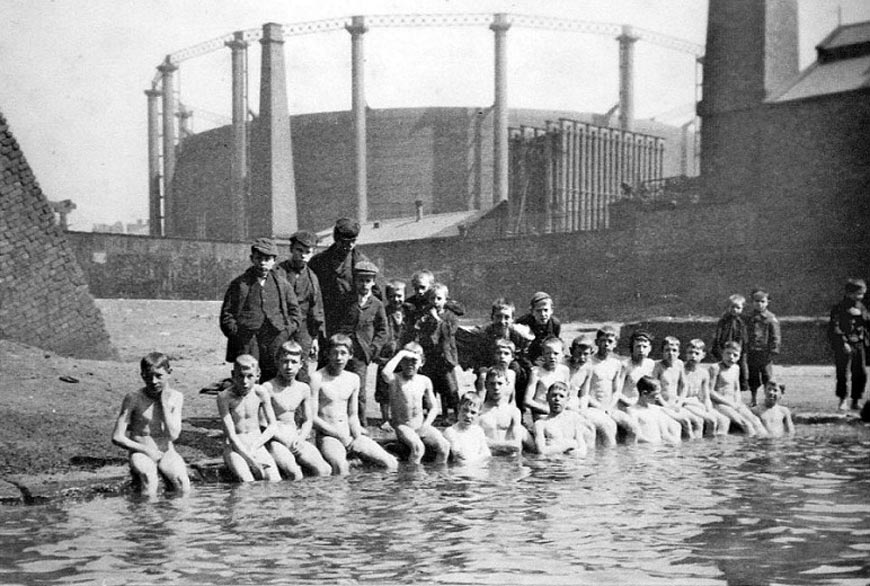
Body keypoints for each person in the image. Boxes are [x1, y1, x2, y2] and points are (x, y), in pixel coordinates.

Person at [311, 334, 398, 475]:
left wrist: (357, 437)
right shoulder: (317, 378)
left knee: (391, 463)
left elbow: (352, 415)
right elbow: (313, 418)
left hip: (350, 434)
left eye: (343, 353)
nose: (339, 358)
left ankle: (364, 493)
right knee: (340, 467)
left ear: (350, 355)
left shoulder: (353, 379)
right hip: (329, 436)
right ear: (327, 354)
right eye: (335, 353)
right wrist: (340, 435)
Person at [220, 237, 302, 383]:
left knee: (274, 375)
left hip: (276, 337)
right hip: (248, 338)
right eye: (259, 258)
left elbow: (295, 313)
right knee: (248, 375)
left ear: (274, 261)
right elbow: (227, 315)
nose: (263, 263)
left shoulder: (282, 285)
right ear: (252, 259)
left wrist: (287, 331)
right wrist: (237, 333)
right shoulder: (240, 284)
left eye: (267, 259)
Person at [111, 352, 190, 496]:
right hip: (141, 452)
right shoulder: (134, 398)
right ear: (142, 375)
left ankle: (176, 518)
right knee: (149, 479)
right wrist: (147, 450)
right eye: (148, 377)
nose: (153, 381)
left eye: (159, 376)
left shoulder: (176, 397)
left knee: (183, 484)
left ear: (169, 373)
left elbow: (173, 435)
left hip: (167, 451)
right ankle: (148, 517)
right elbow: (117, 437)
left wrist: (165, 405)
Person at [261, 341, 332, 479]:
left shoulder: (303, 388)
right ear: (277, 362)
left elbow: (308, 420)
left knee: (324, 470)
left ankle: (312, 500)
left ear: (301, 364)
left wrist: (301, 437)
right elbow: (263, 423)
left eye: (294, 362)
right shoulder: (268, 388)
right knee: (295, 473)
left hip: (295, 437)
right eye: (285, 361)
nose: (289, 367)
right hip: (275, 440)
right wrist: (285, 440)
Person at [331, 260, 389, 428]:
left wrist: (373, 349)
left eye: (368, 280)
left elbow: (383, 330)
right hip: (342, 351)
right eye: (361, 280)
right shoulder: (345, 300)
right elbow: (334, 323)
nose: (364, 284)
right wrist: (337, 343)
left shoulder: (377, 304)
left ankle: (360, 425)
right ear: (355, 281)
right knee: (337, 385)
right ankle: (337, 422)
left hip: (361, 353)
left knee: (359, 390)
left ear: (373, 282)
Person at [308, 218, 382, 342]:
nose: (350, 246)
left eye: (353, 241)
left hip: (352, 322)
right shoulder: (318, 262)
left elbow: (376, 294)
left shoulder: (362, 262)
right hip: (325, 320)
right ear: (336, 239)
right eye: (345, 242)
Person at [459, 298, 533, 413]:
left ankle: (517, 409)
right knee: (483, 376)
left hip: (509, 363)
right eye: (498, 316)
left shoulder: (517, 334)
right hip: (489, 362)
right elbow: (478, 355)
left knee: (518, 372)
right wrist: (482, 368)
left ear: (512, 319)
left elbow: (522, 355)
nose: (502, 321)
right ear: (492, 317)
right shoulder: (484, 333)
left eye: (507, 317)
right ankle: (480, 409)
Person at [216, 354, 282, 482]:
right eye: (240, 376)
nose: (245, 382)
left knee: (275, 480)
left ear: (257, 375)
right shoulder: (224, 397)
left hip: (256, 445)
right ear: (233, 375)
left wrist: (254, 447)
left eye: (249, 376)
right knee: (247, 482)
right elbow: (231, 436)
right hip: (235, 449)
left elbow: (272, 426)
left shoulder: (260, 392)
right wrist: (251, 460)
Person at [381, 343, 450, 464]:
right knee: (418, 448)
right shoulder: (395, 379)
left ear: (421, 362)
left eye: (413, 361)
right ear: (400, 362)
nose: (409, 364)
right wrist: (402, 353)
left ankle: (438, 477)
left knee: (444, 446)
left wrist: (426, 425)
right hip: (403, 426)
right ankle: (413, 480)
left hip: (420, 425)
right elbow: (385, 373)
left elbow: (434, 407)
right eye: (405, 360)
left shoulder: (424, 380)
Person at [276, 230, 325, 383]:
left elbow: (316, 309)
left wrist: (315, 338)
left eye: (307, 252)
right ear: (291, 249)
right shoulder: (278, 272)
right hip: (281, 325)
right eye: (299, 250)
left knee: (301, 369)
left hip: (304, 329)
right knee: (279, 365)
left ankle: (299, 405)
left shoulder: (312, 277)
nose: (303, 255)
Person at [414, 283, 461, 422]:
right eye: (432, 298)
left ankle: (455, 413)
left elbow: (450, 332)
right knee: (432, 385)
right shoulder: (427, 314)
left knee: (449, 386)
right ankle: (432, 413)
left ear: (445, 300)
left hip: (445, 356)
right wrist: (423, 322)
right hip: (431, 356)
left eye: (439, 298)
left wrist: (437, 320)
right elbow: (420, 331)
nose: (435, 302)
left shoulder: (450, 316)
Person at [709, 341, 768, 437]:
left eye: (735, 355)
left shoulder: (736, 368)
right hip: (720, 403)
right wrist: (730, 404)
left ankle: (765, 445)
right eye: (728, 353)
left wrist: (738, 403)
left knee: (755, 420)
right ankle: (748, 449)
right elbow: (710, 391)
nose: (731, 357)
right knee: (745, 423)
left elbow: (736, 388)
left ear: (739, 357)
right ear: (722, 353)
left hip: (734, 402)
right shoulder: (715, 368)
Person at [827, 278, 868, 411]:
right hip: (844, 344)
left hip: (859, 343)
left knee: (860, 372)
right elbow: (835, 326)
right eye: (857, 294)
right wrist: (843, 342)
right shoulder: (839, 308)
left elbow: (866, 322)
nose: (859, 297)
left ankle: (855, 399)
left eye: (862, 294)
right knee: (842, 373)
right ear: (849, 293)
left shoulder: (861, 307)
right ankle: (842, 399)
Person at [374, 279, 409, 430]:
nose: (397, 299)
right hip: (386, 356)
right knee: (384, 388)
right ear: (388, 297)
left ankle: (401, 417)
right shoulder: (383, 311)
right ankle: (385, 418)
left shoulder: (408, 312)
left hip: (403, 356)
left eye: (400, 296)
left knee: (402, 386)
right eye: (393, 296)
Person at [652, 336, 703, 439]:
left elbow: (684, 385)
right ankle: (686, 447)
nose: (671, 353)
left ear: (679, 353)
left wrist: (680, 402)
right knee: (685, 422)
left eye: (674, 350)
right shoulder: (658, 367)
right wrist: (665, 404)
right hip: (661, 405)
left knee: (698, 421)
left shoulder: (679, 364)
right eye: (667, 350)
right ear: (662, 352)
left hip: (675, 404)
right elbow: (654, 390)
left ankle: (696, 449)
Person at [478, 366, 534, 453]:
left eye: (500, 383)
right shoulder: (479, 412)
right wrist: (507, 445)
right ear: (486, 385)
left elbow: (517, 445)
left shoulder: (513, 412)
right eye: (492, 384)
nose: (496, 388)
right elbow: (475, 441)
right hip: (488, 462)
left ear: (507, 385)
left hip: (510, 462)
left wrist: (488, 443)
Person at [682, 339, 730, 436]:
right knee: (710, 420)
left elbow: (706, 396)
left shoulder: (703, 373)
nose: (693, 356)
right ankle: (697, 446)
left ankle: (716, 447)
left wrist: (708, 408)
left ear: (703, 355)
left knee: (724, 420)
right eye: (690, 353)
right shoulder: (681, 370)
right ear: (686, 354)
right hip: (685, 403)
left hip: (697, 404)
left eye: (696, 353)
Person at [746, 288, 781, 407]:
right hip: (752, 352)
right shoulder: (749, 317)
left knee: (767, 376)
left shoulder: (770, 318)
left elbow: (775, 335)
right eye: (756, 301)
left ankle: (769, 399)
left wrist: (774, 349)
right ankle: (754, 398)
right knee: (753, 376)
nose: (759, 304)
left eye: (762, 301)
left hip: (765, 353)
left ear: (767, 302)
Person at [533, 382, 588, 457]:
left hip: (572, 464)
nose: (557, 399)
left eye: (561, 396)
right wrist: (567, 445)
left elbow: (582, 448)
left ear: (567, 400)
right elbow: (541, 451)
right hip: (551, 464)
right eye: (554, 395)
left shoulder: (574, 420)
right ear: (547, 397)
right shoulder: (540, 424)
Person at [711, 294, 749, 394]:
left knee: (740, 369)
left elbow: (744, 336)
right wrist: (719, 347)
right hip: (725, 348)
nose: (735, 310)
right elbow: (718, 336)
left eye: (738, 308)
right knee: (723, 369)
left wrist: (743, 347)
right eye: (732, 307)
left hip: (738, 348)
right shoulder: (723, 321)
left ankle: (739, 389)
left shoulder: (741, 322)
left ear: (742, 309)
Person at [524, 336, 570, 419]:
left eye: (556, 353)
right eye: (548, 353)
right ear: (543, 354)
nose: (552, 356)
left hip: (559, 411)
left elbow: (567, 395)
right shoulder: (536, 372)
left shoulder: (564, 370)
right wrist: (549, 410)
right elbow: (527, 400)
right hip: (543, 413)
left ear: (562, 354)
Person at [628, 376, 681, 445]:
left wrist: (676, 442)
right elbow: (638, 437)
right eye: (655, 394)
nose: (658, 398)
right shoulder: (633, 411)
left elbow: (664, 434)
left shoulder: (656, 409)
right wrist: (656, 444)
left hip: (659, 448)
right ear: (644, 393)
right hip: (646, 450)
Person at [515, 291, 561, 367]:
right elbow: (519, 349)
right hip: (526, 354)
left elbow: (554, 343)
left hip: (544, 354)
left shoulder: (555, 324)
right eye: (538, 311)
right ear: (532, 311)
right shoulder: (523, 323)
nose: (543, 314)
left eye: (546, 310)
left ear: (552, 310)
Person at [443, 392, 491, 465]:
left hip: (477, 468)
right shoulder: (451, 431)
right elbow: (460, 458)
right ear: (458, 408)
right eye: (465, 410)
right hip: (459, 472)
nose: (468, 415)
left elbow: (487, 454)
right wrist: (479, 458)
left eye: (473, 412)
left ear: (479, 414)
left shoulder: (478, 431)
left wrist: (476, 460)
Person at [617, 330, 655, 410]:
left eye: (644, 347)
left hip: (646, 405)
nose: (641, 350)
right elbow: (617, 392)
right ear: (632, 348)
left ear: (650, 348)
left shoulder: (651, 364)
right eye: (638, 346)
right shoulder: (625, 365)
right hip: (628, 405)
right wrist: (632, 404)